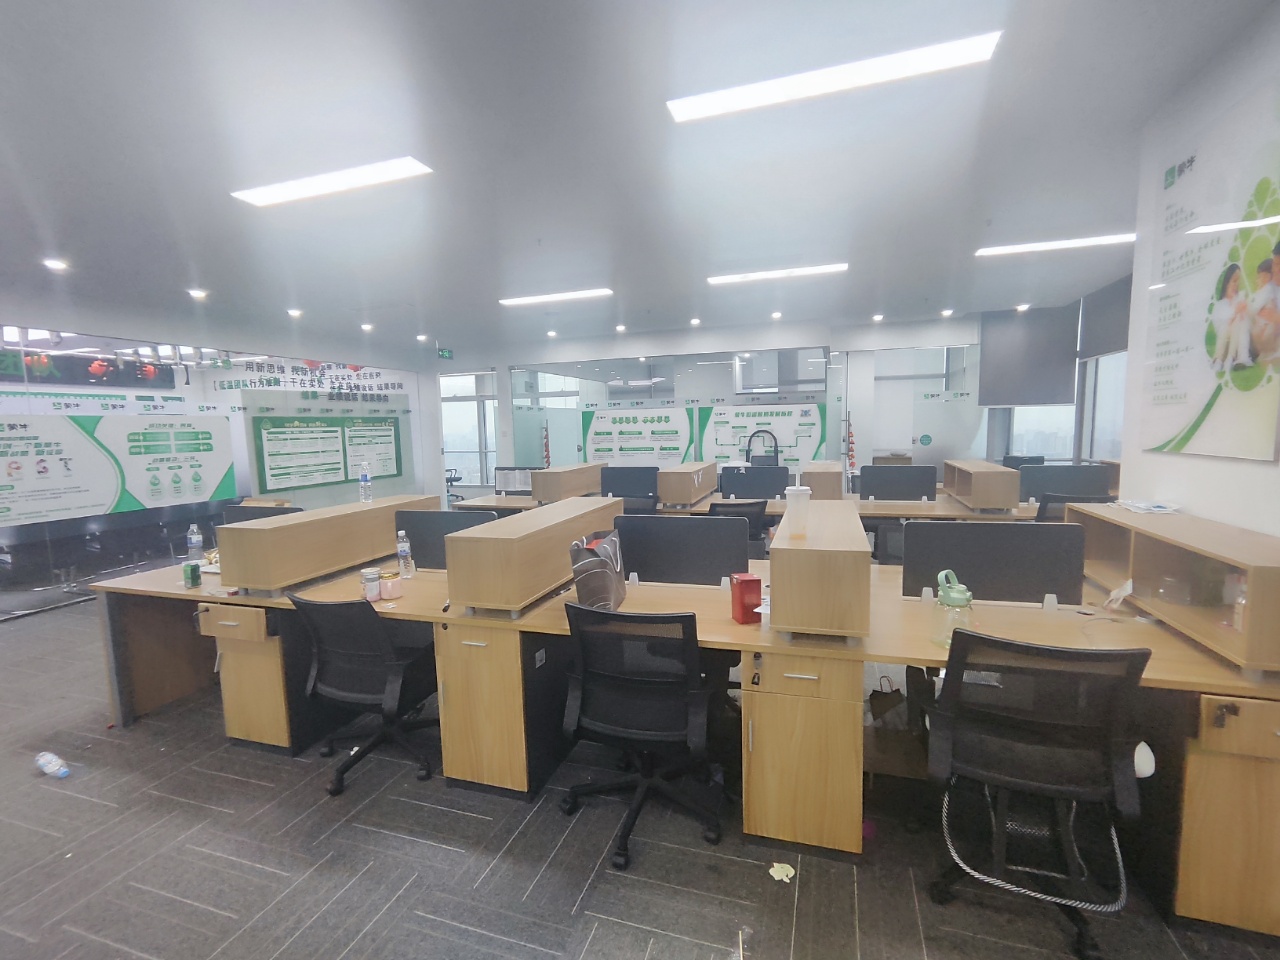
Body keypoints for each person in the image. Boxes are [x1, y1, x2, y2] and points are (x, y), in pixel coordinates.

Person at [1211, 263, 1250, 371]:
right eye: (1234, 281)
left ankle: (1232, 358)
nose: (1236, 285)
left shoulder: (1239, 300)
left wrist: (1242, 311)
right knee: (1228, 326)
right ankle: (1219, 360)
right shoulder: (1220, 305)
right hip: (1224, 341)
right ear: (1227, 282)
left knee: (1238, 322)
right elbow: (1220, 328)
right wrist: (1235, 312)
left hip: (1237, 342)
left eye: (1238, 282)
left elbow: (1245, 325)